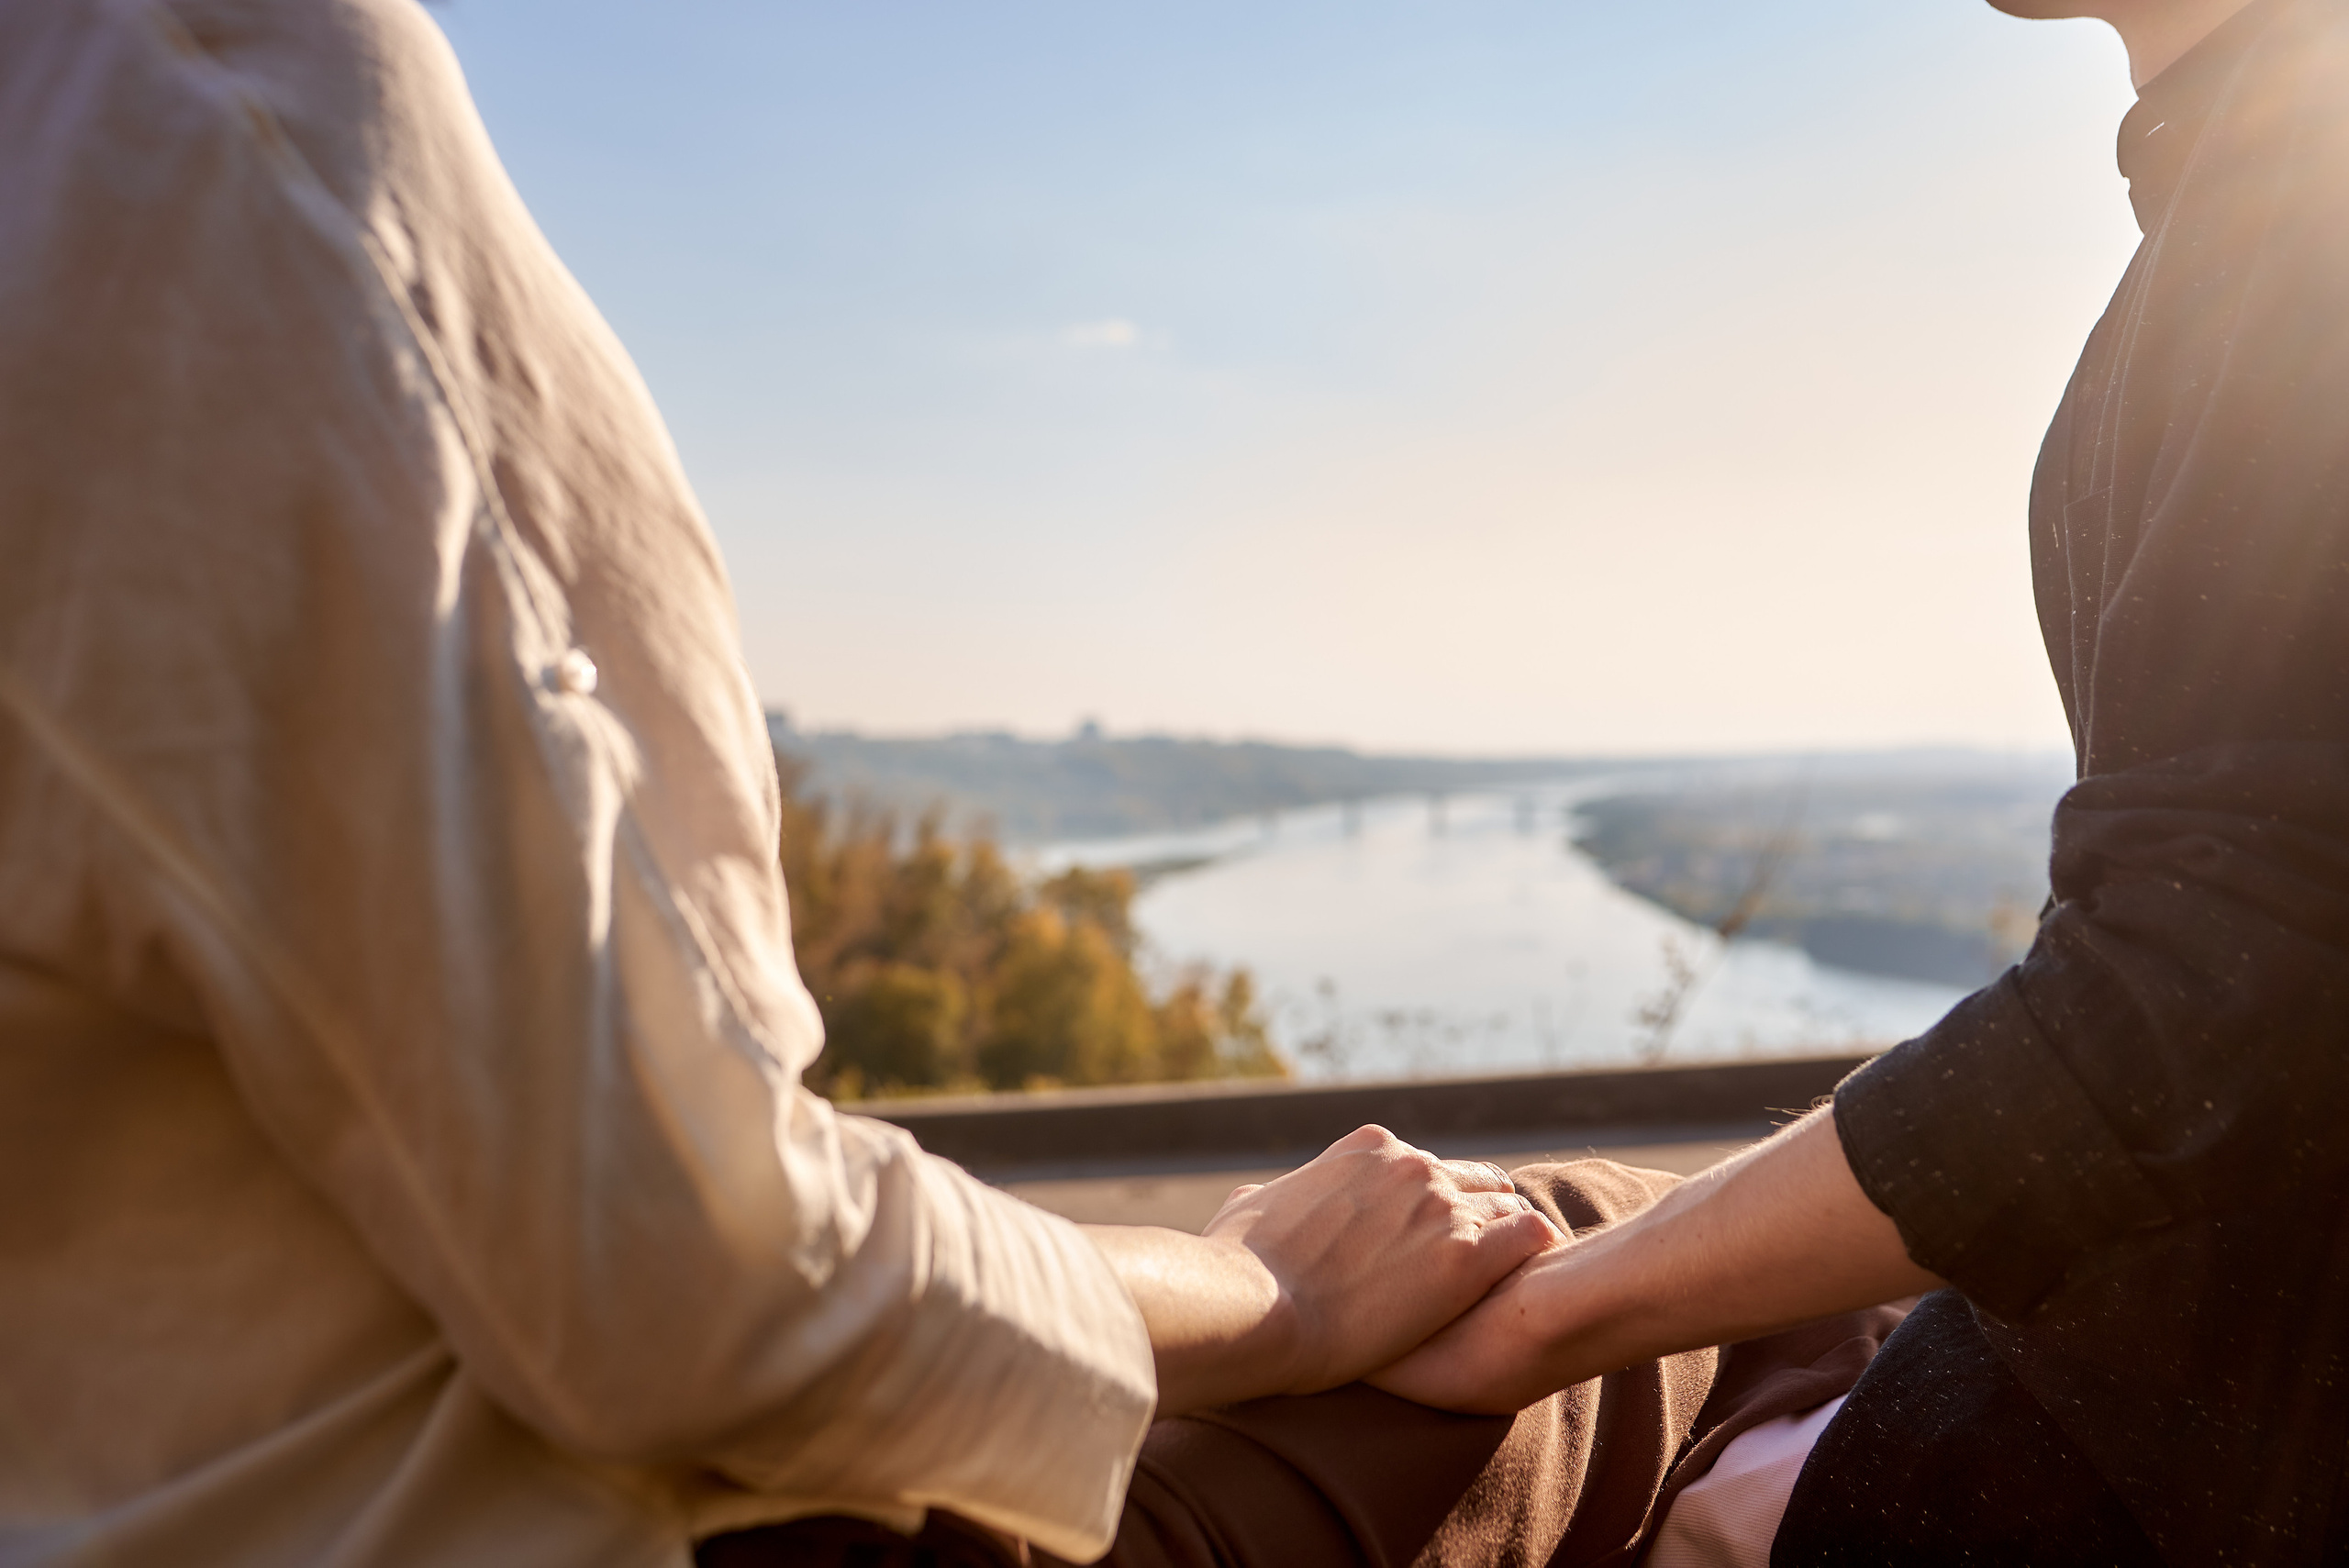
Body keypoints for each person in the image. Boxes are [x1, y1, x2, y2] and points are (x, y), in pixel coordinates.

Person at [0, 4, 1562, 1565]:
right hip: (591, 1525)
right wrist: (1265, 1289)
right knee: (1576, 1284)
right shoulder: (200, 129)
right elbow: (690, 1280)